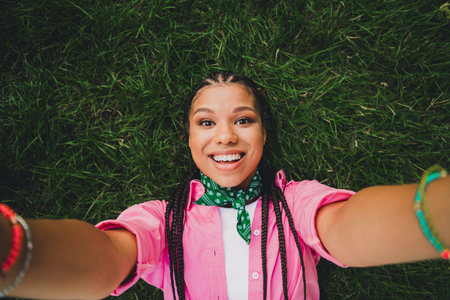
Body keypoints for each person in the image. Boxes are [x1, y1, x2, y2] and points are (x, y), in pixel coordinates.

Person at [0, 71, 449, 300]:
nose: (226, 136)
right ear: (190, 139)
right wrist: (14, 249)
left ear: (263, 135)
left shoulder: (295, 202)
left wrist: (436, 212)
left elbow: (347, 229)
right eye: (207, 122)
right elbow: (107, 259)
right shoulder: (163, 218)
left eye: (243, 120)